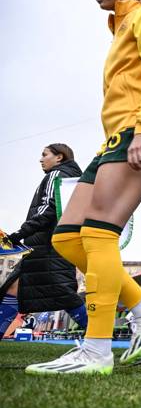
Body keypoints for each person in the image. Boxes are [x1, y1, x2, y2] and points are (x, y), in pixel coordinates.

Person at [26, 0, 141, 375]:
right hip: (112, 140)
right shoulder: (119, 27)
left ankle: (95, 349)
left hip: (139, 133)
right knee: (67, 238)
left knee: (97, 235)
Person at [0, 144, 87, 341]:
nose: (41, 159)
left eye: (45, 154)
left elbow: (47, 207)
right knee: (15, 287)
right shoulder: (74, 178)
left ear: (59, 157)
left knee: (63, 292)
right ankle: (99, 334)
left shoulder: (56, 176)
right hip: (54, 243)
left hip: (48, 244)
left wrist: (20, 233)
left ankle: (99, 334)